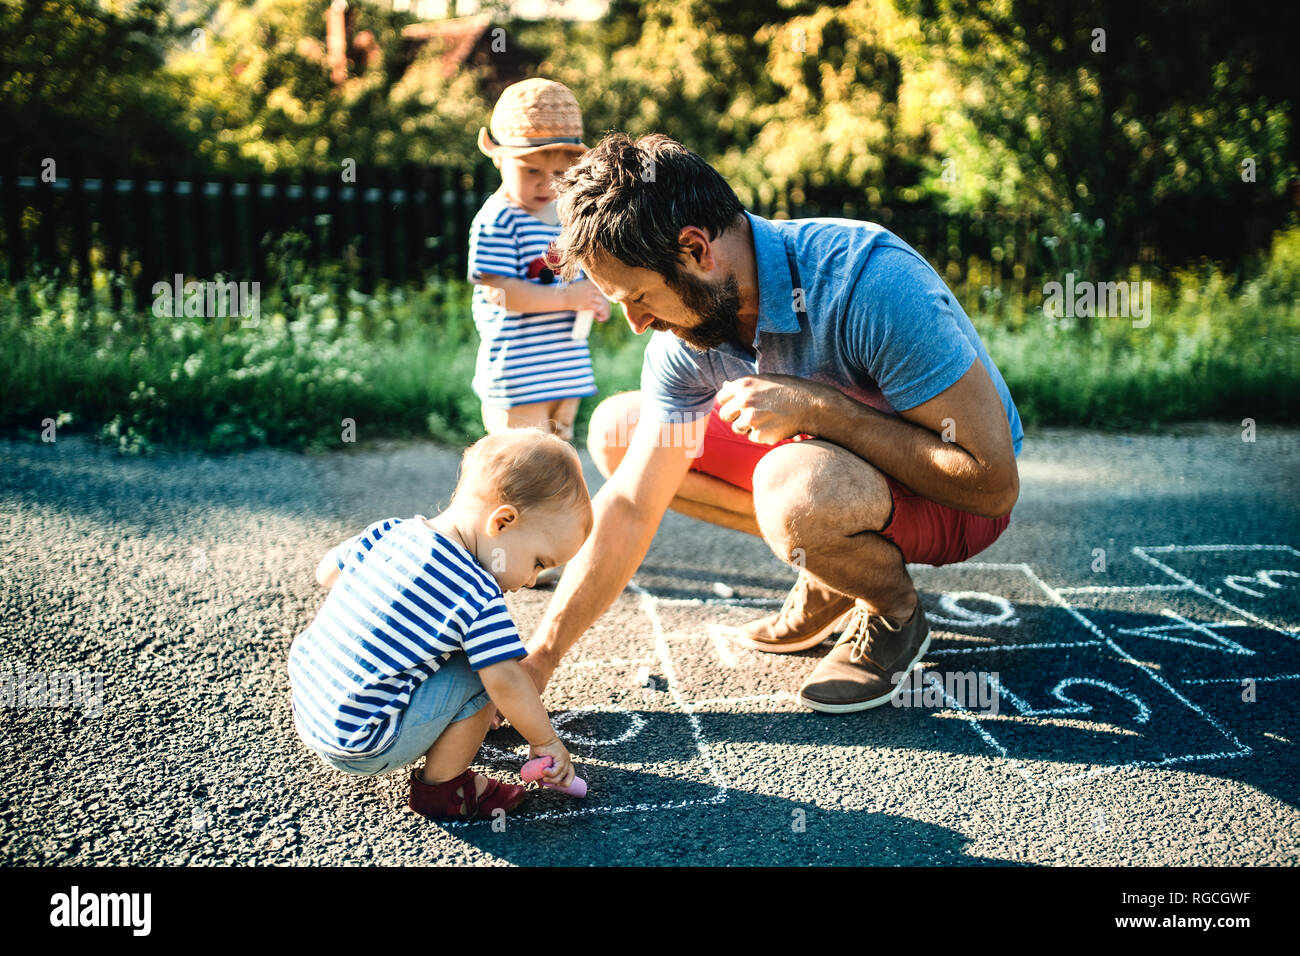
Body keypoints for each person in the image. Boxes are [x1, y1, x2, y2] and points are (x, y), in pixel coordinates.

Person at [513, 132, 1023, 714]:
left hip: (951, 500)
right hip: (832, 475)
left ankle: (892, 611)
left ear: (696, 250)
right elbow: (632, 504)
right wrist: (540, 659)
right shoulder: (691, 332)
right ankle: (835, 565)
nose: (634, 323)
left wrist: (818, 408)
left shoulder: (870, 283)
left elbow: (991, 485)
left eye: (640, 297)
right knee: (621, 430)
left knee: (792, 485)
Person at [287, 429, 592, 819]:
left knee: (463, 654)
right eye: (537, 561)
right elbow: (506, 680)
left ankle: (436, 727)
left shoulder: (391, 531)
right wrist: (545, 740)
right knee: (484, 673)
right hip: (364, 741)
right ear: (503, 522)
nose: (532, 580)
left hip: (312, 706)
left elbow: (326, 572)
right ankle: (445, 789)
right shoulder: (477, 591)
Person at [467, 77, 610, 444]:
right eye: (531, 172)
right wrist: (568, 299)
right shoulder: (499, 218)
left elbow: (581, 273)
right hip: (519, 378)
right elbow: (500, 293)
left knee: (557, 461)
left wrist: (593, 297)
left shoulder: (564, 216)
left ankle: (557, 506)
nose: (547, 185)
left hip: (565, 371)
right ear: (499, 158)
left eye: (560, 175)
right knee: (520, 465)